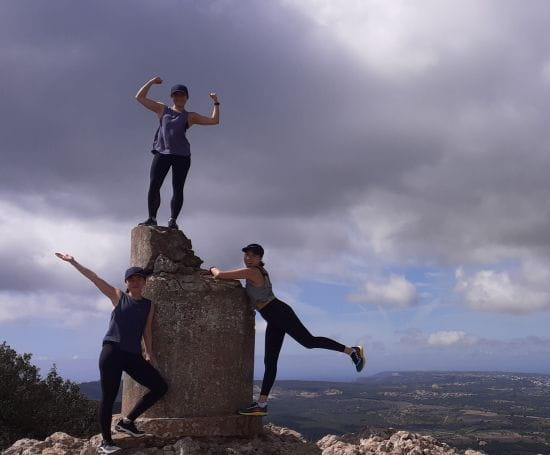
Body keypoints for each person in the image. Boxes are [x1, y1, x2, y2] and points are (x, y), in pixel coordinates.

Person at [209, 243, 365, 416]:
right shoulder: (258, 271)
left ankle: (352, 351)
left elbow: (221, 275)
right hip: (273, 317)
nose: (248, 258)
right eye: (246, 255)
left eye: (252, 255)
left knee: (309, 341)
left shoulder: (252, 271)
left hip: (279, 312)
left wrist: (212, 268)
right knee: (270, 361)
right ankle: (261, 404)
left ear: (260, 258)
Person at [54, 253, 168, 455]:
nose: (135, 282)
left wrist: (149, 353)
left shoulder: (149, 305)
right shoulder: (118, 296)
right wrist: (73, 262)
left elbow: (147, 331)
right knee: (108, 396)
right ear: (126, 282)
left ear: (144, 282)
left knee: (160, 387)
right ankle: (106, 442)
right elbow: (94, 278)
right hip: (112, 352)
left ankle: (127, 422)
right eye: (131, 279)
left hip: (133, 355)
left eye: (139, 279)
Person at [134, 76, 220, 229]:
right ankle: (152, 218)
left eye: (182, 95)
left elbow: (214, 121)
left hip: (182, 156)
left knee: (178, 187)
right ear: (172, 97)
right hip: (162, 152)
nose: (179, 98)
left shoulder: (190, 116)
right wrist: (151, 82)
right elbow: (139, 97)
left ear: (187, 98)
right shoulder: (162, 109)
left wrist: (216, 102)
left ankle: (173, 220)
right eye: (176, 95)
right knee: (154, 185)